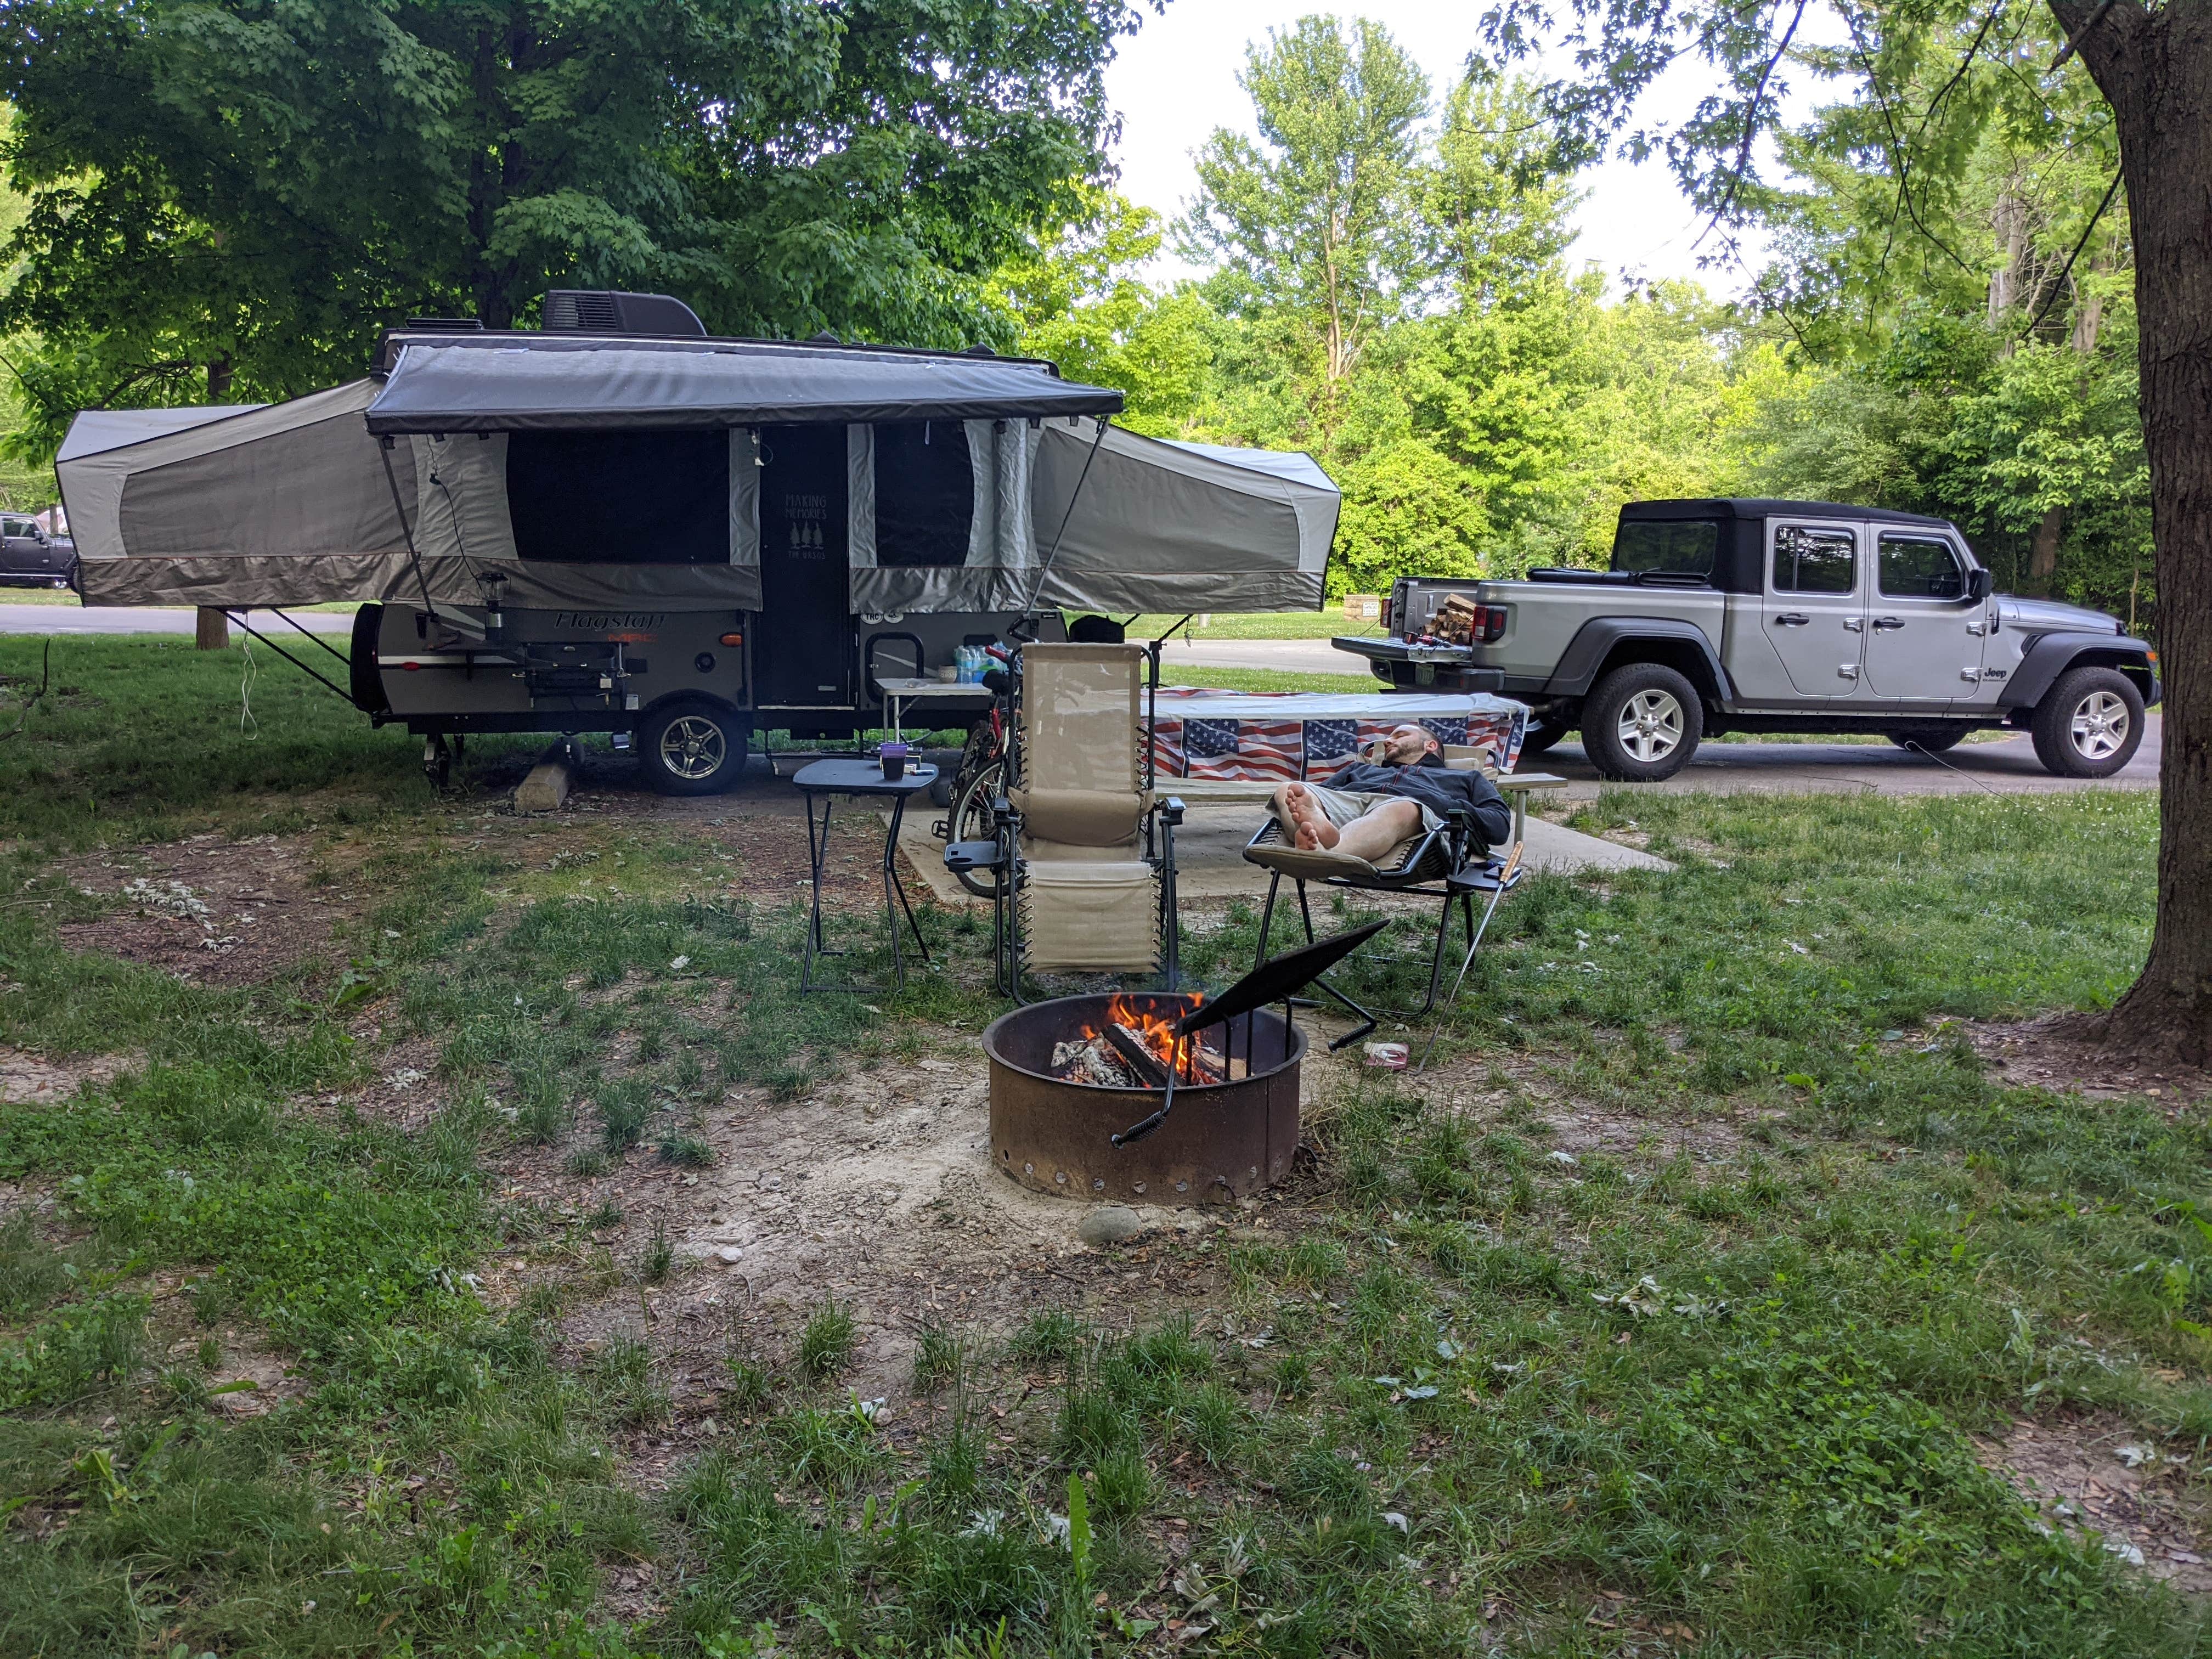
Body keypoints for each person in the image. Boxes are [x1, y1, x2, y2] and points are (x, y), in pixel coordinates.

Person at [1272, 722, 1511, 859]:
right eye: (1388, 738)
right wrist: (1312, 805)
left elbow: (1499, 825)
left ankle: (1327, 854)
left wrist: (1443, 803)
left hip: (1408, 816)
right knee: (1290, 789)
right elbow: (1321, 796)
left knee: (1401, 808)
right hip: (1350, 804)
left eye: (1400, 735)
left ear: (1430, 745)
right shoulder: (1360, 769)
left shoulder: (1465, 777)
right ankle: (1315, 831)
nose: (1387, 741)